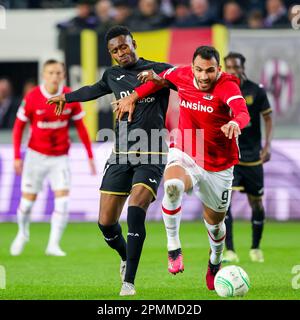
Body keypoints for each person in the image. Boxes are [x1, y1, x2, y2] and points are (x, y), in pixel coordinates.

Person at [47, 26, 173, 296]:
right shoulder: (112, 75)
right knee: (105, 223)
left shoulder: (158, 69)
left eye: (124, 47)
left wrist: (155, 83)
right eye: (114, 50)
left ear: (133, 43)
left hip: (152, 152)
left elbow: (181, 80)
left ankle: (129, 282)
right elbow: (93, 89)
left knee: (136, 209)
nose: (120, 53)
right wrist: (66, 97)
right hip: (121, 155)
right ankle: (124, 256)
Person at [113, 46, 250, 290]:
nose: (204, 76)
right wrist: (134, 96)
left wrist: (235, 122)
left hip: (219, 165)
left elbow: (242, 111)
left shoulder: (227, 85)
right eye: (199, 70)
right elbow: (159, 82)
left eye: (210, 70)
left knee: (216, 225)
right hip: (187, 149)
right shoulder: (182, 74)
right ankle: (173, 246)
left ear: (218, 69)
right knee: (173, 185)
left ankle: (215, 260)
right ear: (193, 67)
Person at [10, 59, 96, 257]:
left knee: (63, 201)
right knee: (27, 203)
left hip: (60, 157)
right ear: (44, 75)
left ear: (63, 75)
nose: (55, 76)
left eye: (58, 73)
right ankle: (22, 233)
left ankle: (53, 245)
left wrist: (90, 154)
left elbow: (81, 127)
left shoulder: (68, 96)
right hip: (36, 156)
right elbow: (18, 127)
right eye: (51, 73)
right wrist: (16, 156)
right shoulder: (32, 97)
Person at [223, 52, 273, 263]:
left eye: (237, 67)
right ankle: (230, 250)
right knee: (225, 205)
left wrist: (267, 145)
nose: (234, 71)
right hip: (230, 156)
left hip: (252, 156)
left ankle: (255, 247)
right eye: (230, 67)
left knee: (257, 203)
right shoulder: (221, 89)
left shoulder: (256, 90)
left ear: (243, 67)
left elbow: (268, 118)